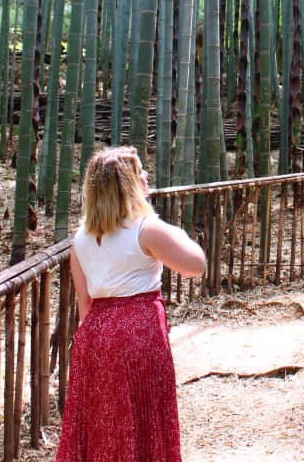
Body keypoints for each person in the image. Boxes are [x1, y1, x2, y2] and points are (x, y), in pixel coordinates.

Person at [56, 146, 206, 462]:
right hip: (138, 333)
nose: (146, 176)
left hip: (95, 337)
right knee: (144, 420)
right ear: (127, 183)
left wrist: (103, 339)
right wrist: (168, 227)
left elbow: (85, 301)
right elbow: (196, 264)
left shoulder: (81, 238)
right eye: (140, 172)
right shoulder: (145, 229)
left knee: (103, 426)